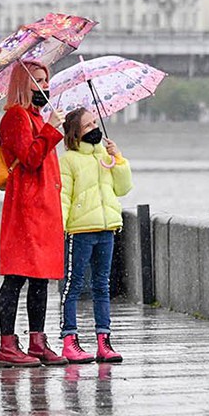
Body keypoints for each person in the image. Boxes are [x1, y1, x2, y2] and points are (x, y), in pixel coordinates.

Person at [0, 60, 68, 367]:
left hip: (45, 208)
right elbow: (31, 157)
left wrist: (49, 126)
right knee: (16, 277)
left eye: (45, 80)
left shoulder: (37, 117)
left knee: (41, 279)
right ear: (23, 85)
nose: (44, 86)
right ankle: (7, 346)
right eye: (37, 81)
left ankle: (38, 342)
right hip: (26, 208)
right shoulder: (16, 116)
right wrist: (52, 129)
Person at [58, 107, 132, 364]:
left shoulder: (105, 155)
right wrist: (61, 226)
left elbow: (123, 188)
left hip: (107, 228)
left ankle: (104, 341)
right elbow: (63, 196)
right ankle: (70, 340)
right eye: (88, 126)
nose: (94, 129)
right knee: (73, 285)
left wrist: (119, 159)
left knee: (102, 286)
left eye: (94, 123)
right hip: (80, 231)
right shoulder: (68, 160)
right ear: (76, 134)